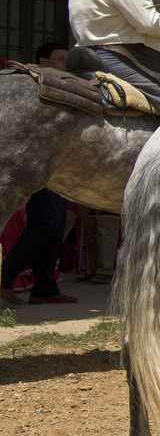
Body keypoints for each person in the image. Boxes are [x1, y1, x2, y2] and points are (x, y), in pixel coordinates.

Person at [2, 43, 79, 305]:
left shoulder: (63, 87)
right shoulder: (31, 87)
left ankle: (44, 287)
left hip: (57, 165)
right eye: (60, 60)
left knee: (56, 223)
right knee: (45, 221)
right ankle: (6, 275)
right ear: (42, 61)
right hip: (35, 164)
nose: (65, 65)